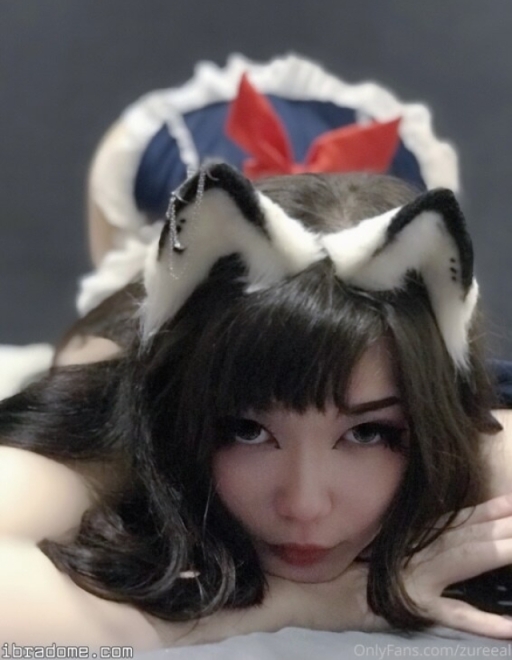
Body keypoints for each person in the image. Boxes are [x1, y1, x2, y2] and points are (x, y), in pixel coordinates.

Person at [1, 55, 512, 649]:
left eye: (368, 433)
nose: (304, 504)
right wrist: (312, 603)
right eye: (245, 430)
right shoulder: (125, 405)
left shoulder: (470, 436)